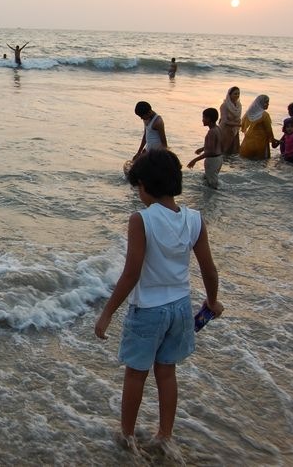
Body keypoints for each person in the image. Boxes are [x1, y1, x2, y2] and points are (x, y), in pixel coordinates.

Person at [95, 149, 222, 456]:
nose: (138, 192)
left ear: (146, 186)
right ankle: (165, 435)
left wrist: (107, 312)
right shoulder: (194, 219)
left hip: (148, 311)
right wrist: (213, 301)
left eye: (138, 186)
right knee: (167, 372)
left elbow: (131, 273)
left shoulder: (141, 220)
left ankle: (126, 436)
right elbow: (208, 267)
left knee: (136, 374)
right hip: (180, 307)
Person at [187, 108, 223, 189]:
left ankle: (214, 200)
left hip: (212, 160)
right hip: (219, 158)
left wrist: (194, 160)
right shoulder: (218, 128)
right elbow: (215, 145)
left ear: (209, 119)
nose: (202, 120)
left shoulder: (211, 132)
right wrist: (202, 148)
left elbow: (210, 152)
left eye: (204, 118)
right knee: (208, 179)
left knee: (212, 185)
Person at [239, 95, 278, 159]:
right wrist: (273, 141)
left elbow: (243, 127)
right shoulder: (265, 115)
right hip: (260, 144)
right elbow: (269, 131)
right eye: (266, 102)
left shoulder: (249, 113)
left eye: (268, 102)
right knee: (260, 165)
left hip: (247, 143)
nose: (268, 104)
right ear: (260, 103)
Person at [218, 86, 242, 155]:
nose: (237, 95)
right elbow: (224, 121)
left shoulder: (239, 105)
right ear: (229, 95)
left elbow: (238, 118)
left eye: (238, 94)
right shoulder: (224, 105)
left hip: (235, 130)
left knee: (234, 152)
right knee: (223, 151)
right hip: (225, 130)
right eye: (235, 94)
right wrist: (238, 124)